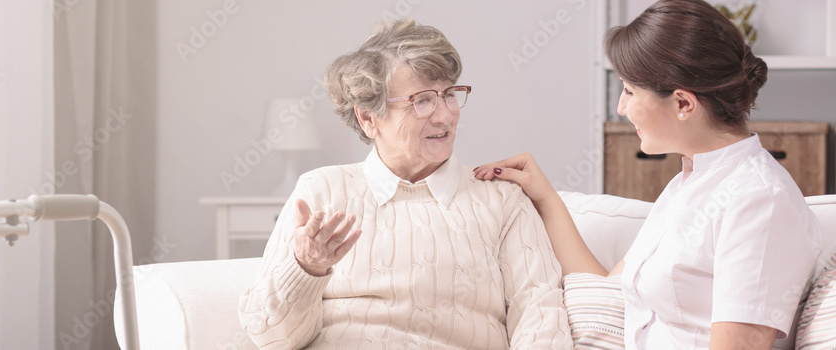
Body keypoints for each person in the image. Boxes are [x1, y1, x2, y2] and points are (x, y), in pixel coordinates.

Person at [475, 0, 822, 349]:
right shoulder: (688, 183)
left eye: (628, 91)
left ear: (684, 103)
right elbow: (610, 289)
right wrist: (545, 197)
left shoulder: (759, 201)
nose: (620, 108)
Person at [238, 19, 572, 349]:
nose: (445, 116)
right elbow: (271, 338)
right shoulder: (321, 191)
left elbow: (541, 319)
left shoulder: (501, 199)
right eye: (422, 100)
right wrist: (306, 268)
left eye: (449, 95)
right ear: (368, 118)